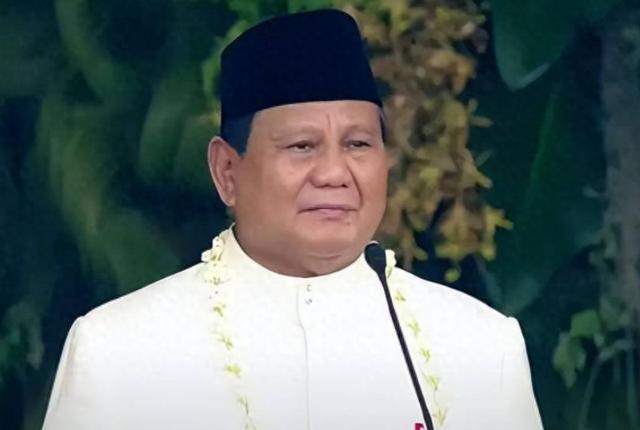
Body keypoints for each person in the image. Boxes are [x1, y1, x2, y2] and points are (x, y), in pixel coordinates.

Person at [42, 9, 543, 430]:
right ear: (227, 172)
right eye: (302, 146)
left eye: (358, 144)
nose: (335, 173)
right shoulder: (119, 355)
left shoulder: (480, 348)